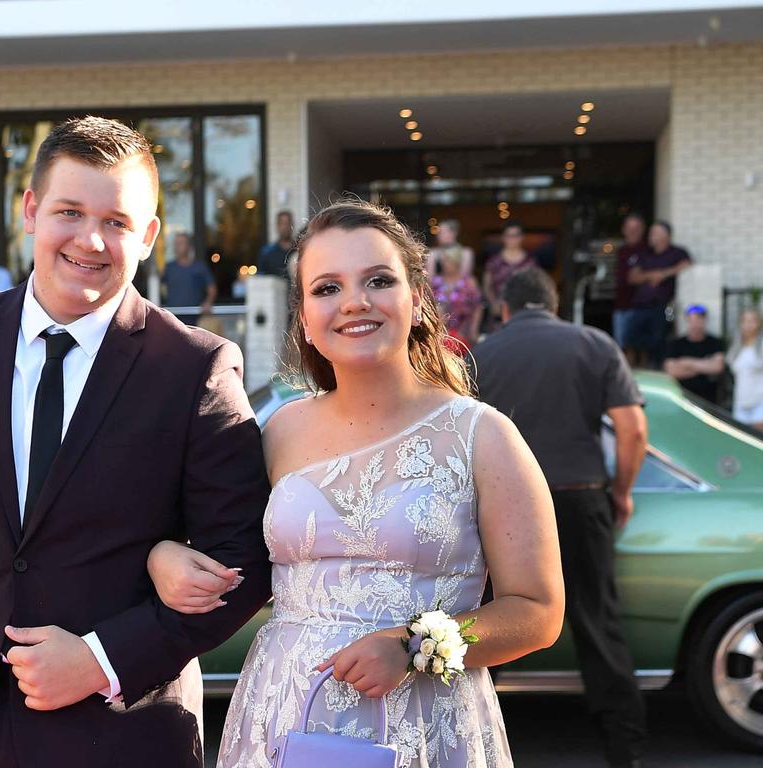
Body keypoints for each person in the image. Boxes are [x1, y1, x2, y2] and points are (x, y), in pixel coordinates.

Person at [0, 116, 271, 768]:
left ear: (149, 235)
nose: (90, 240)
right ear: (31, 210)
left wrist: (103, 659)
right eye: (69, 211)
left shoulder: (195, 367)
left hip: (121, 730)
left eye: (118, 222)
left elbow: (244, 559)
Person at [147, 200, 565, 767]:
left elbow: (538, 612)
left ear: (416, 300)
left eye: (378, 280)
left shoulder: (483, 436)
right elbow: (223, 553)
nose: (354, 302)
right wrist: (163, 556)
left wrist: (414, 647)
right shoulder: (278, 429)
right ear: (305, 323)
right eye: (326, 288)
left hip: (422, 724)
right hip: (284, 712)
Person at [472, 268, 649, 768]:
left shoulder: (482, 354)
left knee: (490, 624)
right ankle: (625, 746)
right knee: (598, 622)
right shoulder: (594, 344)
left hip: (501, 507)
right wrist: (622, 491)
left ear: (504, 307)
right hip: (579, 496)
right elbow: (632, 429)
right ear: (554, 303)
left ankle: (474, 740)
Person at [626, 220, 692, 368]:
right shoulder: (644, 254)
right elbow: (632, 277)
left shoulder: (677, 253)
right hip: (640, 306)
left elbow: (687, 265)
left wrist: (664, 274)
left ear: (666, 236)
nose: (650, 235)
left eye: (654, 232)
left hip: (663, 306)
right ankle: (636, 369)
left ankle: (657, 368)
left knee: (660, 339)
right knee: (631, 338)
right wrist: (651, 275)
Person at [662, 304, 725, 404]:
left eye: (699, 319)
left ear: (704, 320)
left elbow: (717, 367)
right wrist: (705, 365)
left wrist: (685, 363)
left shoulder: (715, 343)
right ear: (687, 320)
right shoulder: (676, 344)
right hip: (682, 399)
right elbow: (671, 370)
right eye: (693, 320)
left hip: (709, 400)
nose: (696, 324)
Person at [482, 221, 535, 329]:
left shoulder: (530, 262)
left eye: (515, 235)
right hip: (499, 314)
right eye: (509, 236)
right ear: (503, 237)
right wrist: (493, 303)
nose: (512, 239)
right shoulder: (494, 261)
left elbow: (534, 286)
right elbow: (487, 285)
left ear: (521, 237)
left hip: (523, 313)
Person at [161, 231, 217, 325]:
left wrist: (208, 302)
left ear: (190, 247)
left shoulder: (200, 267)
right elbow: (157, 287)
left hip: (195, 319)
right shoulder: (168, 268)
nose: (177, 247)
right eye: (176, 244)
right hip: (173, 319)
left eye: (181, 243)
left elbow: (212, 289)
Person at [431, 246, 482, 348]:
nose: (445, 264)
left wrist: (473, 329)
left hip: (463, 335)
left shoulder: (468, 282)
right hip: (440, 335)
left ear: (457, 262)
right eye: (443, 260)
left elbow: (478, 306)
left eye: (448, 260)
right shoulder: (435, 282)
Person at [614, 214, 650, 358]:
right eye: (630, 228)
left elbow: (635, 278)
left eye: (636, 228)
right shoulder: (621, 251)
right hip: (621, 305)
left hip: (643, 306)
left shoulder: (648, 250)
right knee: (622, 345)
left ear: (642, 230)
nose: (633, 231)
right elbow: (627, 278)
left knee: (643, 347)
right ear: (624, 230)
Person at [727, 307, 763, 430]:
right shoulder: (736, 347)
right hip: (740, 403)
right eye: (745, 321)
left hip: (759, 403)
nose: (748, 325)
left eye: (752, 321)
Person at [257, 209, 295, 278]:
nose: (285, 227)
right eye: (281, 223)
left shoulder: (299, 250)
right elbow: (261, 278)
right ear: (277, 226)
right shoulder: (266, 252)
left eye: (287, 223)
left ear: (292, 225)